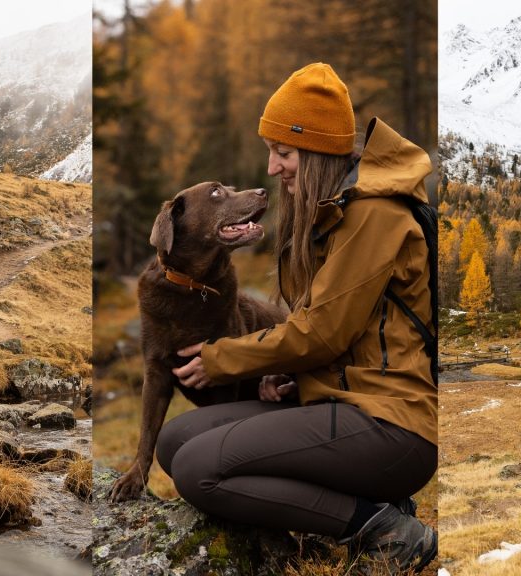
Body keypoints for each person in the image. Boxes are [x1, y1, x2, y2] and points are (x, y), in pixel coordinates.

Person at [156, 62, 436, 573]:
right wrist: (287, 371)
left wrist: (224, 359)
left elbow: (322, 334)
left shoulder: (375, 216)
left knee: (199, 470)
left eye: (283, 153)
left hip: (390, 424)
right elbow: (333, 327)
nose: (271, 168)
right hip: (338, 402)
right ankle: (360, 506)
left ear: (316, 150)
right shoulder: (334, 212)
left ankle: (385, 528)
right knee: (174, 442)